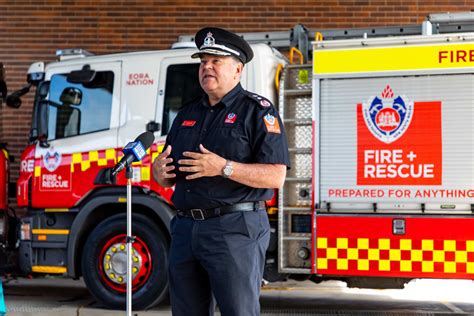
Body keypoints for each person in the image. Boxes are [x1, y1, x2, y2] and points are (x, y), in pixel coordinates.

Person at [152, 27, 290, 316]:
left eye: (216, 61)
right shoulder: (187, 114)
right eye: (203, 62)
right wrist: (160, 173)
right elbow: (171, 172)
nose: (207, 67)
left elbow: (275, 176)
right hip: (186, 229)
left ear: (238, 69)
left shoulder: (258, 111)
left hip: (234, 228)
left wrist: (223, 167)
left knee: (237, 312)